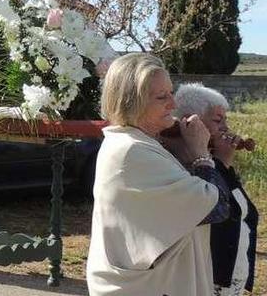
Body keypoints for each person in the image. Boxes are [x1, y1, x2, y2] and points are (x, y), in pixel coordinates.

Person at [86, 53, 231, 295]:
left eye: (171, 93)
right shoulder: (132, 152)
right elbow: (216, 206)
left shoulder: (139, 143)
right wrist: (201, 154)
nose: (173, 104)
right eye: (162, 97)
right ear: (132, 102)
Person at [174, 83, 258, 296]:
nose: (226, 128)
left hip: (230, 275)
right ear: (192, 122)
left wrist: (224, 163)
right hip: (208, 278)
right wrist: (220, 161)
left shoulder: (211, 159)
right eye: (217, 120)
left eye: (225, 120)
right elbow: (217, 206)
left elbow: (239, 205)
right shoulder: (186, 162)